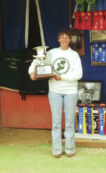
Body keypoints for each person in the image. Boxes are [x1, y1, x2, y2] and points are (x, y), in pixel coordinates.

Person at [28, 29, 83, 158]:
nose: (64, 39)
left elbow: (78, 74)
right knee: (56, 122)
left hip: (70, 91)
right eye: (62, 37)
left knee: (69, 121)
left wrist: (61, 76)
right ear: (58, 40)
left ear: (70, 40)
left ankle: (70, 149)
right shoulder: (52, 53)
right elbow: (37, 62)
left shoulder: (74, 55)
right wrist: (32, 72)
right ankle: (56, 150)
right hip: (55, 91)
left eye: (66, 37)